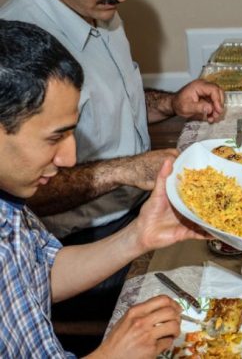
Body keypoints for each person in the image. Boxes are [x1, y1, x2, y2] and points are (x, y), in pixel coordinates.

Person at [0, 0, 224, 320]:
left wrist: (171, 103)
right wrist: (127, 170)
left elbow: (108, 103)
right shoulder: (24, 50)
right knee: (223, 288)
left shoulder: (97, 6)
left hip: (138, 204)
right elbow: (19, 190)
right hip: (78, 242)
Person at [0, 19, 209, 357]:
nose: (69, 157)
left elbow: (41, 273)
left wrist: (138, 236)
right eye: (55, 137)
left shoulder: (10, 198)